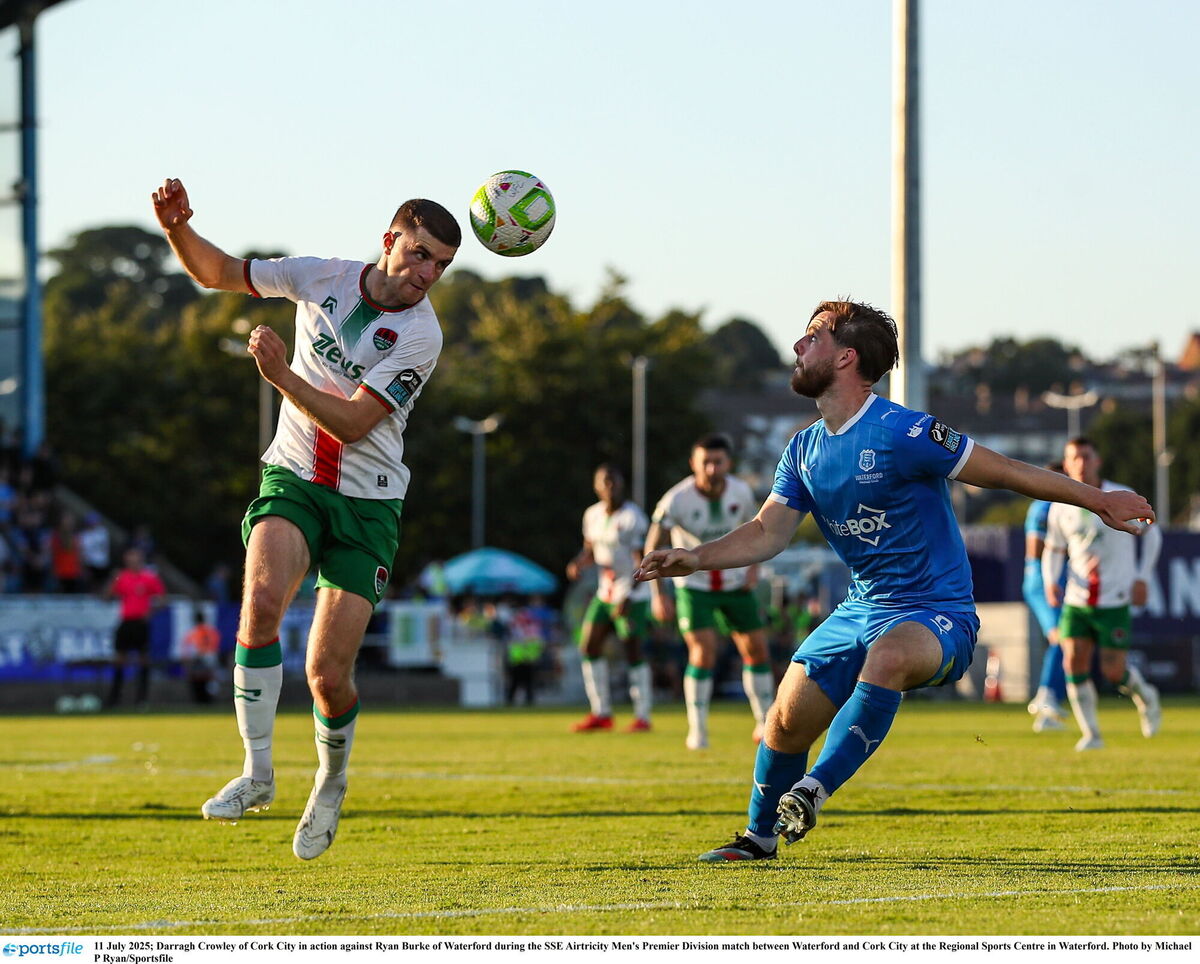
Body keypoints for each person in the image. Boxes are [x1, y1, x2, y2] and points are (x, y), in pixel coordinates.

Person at [634, 300, 1153, 862]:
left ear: (846, 357)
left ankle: (812, 790)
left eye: (812, 337)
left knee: (887, 656)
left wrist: (1098, 498)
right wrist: (695, 557)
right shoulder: (803, 450)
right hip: (861, 608)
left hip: (938, 613)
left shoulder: (904, 430)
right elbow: (766, 532)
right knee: (783, 722)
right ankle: (759, 839)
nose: (797, 346)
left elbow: (1006, 472)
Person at [152, 176, 460, 859]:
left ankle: (331, 780)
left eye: (440, 264)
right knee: (259, 603)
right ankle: (257, 773)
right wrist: (177, 229)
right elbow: (219, 273)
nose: (427, 273)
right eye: (419, 254)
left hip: (368, 501)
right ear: (389, 242)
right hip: (293, 475)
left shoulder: (420, 335)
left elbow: (353, 422)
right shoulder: (319, 276)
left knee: (326, 671)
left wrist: (283, 378)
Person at [646, 434, 774, 749]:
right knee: (703, 652)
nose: (712, 468)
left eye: (718, 462)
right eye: (706, 462)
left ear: (728, 463)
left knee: (756, 650)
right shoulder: (676, 499)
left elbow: (758, 531)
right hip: (693, 586)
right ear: (694, 464)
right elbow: (652, 543)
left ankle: (765, 724)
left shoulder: (741, 492)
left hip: (735, 582)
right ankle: (698, 730)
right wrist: (658, 595)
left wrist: (754, 569)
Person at [1043, 437, 1163, 751]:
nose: (1080, 463)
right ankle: (1092, 734)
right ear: (1066, 465)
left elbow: (1152, 534)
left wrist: (1142, 577)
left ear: (1097, 461)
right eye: (1074, 458)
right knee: (1073, 663)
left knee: (1112, 671)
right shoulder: (1060, 506)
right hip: (1077, 599)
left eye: (1086, 456)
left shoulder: (1120, 495)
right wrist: (1049, 580)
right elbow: (1053, 549)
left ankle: (1145, 696)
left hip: (1114, 597)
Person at [566, 464, 654, 731]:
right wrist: (579, 563)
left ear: (622, 484)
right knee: (589, 646)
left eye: (614, 481)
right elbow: (591, 549)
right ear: (596, 486)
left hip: (631, 593)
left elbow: (643, 562)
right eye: (605, 481)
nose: (610, 486)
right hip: (605, 592)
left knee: (632, 650)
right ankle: (601, 712)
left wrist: (630, 595)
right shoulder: (591, 515)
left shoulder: (633, 518)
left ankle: (642, 716)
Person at [1023, 461, 1070, 732]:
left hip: (1044, 579)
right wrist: (1044, 572)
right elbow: (1035, 547)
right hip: (1043, 580)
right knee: (1062, 638)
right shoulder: (1045, 505)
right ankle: (1045, 696)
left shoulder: (1047, 505)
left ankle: (1047, 712)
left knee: (1065, 642)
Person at [105, 546, 167, 708]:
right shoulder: (122, 577)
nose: (133, 560)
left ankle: (141, 699)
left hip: (141, 623)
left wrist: (150, 611)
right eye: (130, 557)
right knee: (119, 660)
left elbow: (162, 599)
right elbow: (107, 597)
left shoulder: (149, 578)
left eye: (135, 557)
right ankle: (114, 698)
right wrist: (112, 581)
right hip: (126, 622)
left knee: (144, 660)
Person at [181, 607, 222, 704]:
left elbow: (188, 646)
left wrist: (188, 660)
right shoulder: (211, 631)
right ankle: (209, 698)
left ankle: (199, 699)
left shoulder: (194, 631)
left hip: (198, 657)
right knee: (210, 679)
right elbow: (216, 643)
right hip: (210, 656)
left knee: (197, 679)